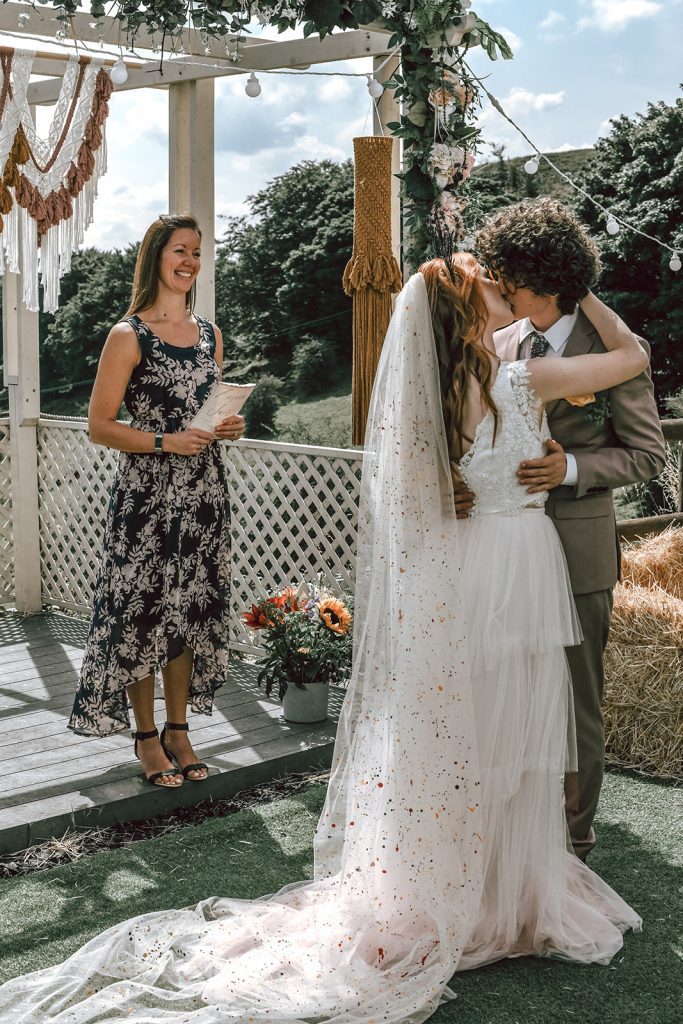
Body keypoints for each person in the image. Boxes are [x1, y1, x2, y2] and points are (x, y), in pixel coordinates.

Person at [0, 253, 643, 1023]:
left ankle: (459, 882)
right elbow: (632, 356)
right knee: (509, 733)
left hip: (464, 574)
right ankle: (506, 889)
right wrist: (577, 283)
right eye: (489, 284)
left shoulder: (436, 390)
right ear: (470, 310)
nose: (502, 289)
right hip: (519, 571)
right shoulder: (513, 378)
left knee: (459, 734)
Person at [475, 198, 666, 860]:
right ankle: (519, 824)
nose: (498, 287)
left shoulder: (609, 350)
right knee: (514, 689)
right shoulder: (498, 344)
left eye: (509, 276)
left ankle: (573, 838)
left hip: (576, 551)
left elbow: (646, 453)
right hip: (501, 553)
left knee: (575, 699)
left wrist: (571, 467)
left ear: (546, 282)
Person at [67, 213, 245, 787]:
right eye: (180, 250)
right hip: (147, 499)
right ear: (155, 258)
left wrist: (225, 425)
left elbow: (205, 410)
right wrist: (166, 440)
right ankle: (145, 737)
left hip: (203, 496)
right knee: (141, 615)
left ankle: (179, 729)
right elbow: (99, 426)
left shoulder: (210, 335)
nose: (190, 261)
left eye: (197, 252)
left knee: (189, 613)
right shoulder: (128, 335)